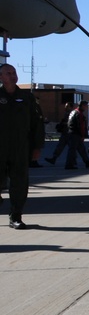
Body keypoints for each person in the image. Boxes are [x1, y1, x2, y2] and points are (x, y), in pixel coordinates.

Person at [0, 64, 45, 229]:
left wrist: (37, 147)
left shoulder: (27, 97)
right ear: (1, 77)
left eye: (14, 73)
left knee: (19, 182)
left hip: (20, 147)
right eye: (8, 73)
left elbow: (37, 123)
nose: (13, 76)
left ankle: (16, 216)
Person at [64, 101, 89, 170]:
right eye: (85, 106)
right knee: (73, 150)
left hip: (72, 132)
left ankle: (87, 162)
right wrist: (82, 135)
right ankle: (69, 164)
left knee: (81, 149)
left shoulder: (73, 112)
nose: (86, 107)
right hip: (75, 134)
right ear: (82, 106)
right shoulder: (79, 114)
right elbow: (81, 126)